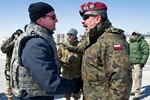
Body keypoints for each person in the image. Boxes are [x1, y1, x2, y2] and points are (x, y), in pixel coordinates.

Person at [10, 2, 82, 100]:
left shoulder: (40, 38)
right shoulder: (36, 43)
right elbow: (51, 83)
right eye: (53, 17)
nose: (56, 20)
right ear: (40, 20)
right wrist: (75, 85)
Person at [65, 1, 132, 99]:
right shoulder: (94, 39)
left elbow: (121, 82)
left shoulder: (111, 40)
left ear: (97, 19)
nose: (83, 21)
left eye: (85, 17)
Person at [57, 28, 82, 100]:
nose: (69, 36)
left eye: (71, 34)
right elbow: (58, 57)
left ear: (75, 36)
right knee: (66, 92)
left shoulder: (79, 46)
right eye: (68, 34)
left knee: (76, 92)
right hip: (66, 73)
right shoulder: (63, 45)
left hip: (76, 73)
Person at [1, 29, 23, 100]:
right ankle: (9, 97)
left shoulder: (22, 41)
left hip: (19, 66)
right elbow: (3, 49)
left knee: (19, 83)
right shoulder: (10, 40)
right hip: (9, 66)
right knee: (8, 83)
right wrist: (13, 43)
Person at [129, 32, 149, 99]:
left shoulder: (142, 42)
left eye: (135, 34)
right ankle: (135, 90)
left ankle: (137, 94)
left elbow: (146, 52)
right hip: (131, 63)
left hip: (138, 63)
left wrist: (143, 62)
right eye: (133, 34)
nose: (134, 35)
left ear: (138, 35)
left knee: (137, 78)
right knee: (133, 78)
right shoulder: (131, 42)